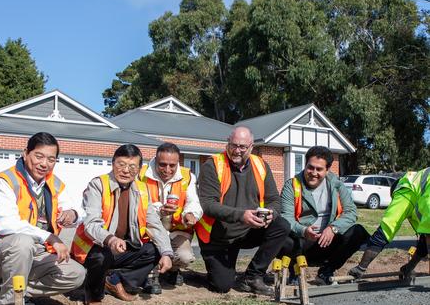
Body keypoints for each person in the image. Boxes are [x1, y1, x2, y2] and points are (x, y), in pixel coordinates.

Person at [0, 132, 86, 305]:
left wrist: (72, 214)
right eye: (39, 156)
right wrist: (50, 237)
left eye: (51, 159)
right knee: (22, 241)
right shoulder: (6, 182)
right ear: (25, 153)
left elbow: (77, 211)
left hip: (33, 254)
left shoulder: (54, 183)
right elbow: (4, 223)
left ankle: (15, 288)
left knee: (75, 274)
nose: (44, 164)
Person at [71, 144, 173, 305]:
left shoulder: (141, 189)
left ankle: (114, 279)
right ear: (113, 163)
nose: (126, 170)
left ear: (139, 169)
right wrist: (110, 239)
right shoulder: (98, 185)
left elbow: (154, 224)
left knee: (153, 250)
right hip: (94, 247)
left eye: (132, 166)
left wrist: (167, 253)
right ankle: (93, 294)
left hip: (122, 247)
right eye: (121, 164)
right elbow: (91, 223)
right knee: (101, 256)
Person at [195, 126, 288, 296]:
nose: (237, 151)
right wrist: (241, 215)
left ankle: (253, 276)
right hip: (218, 237)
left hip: (248, 231)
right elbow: (207, 204)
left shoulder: (261, 165)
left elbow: (274, 200)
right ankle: (206, 275)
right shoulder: (212, 165)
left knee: (281, 226)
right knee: (222, 286)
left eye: (242, 147)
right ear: (227, 144)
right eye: (233, 145)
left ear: (251, 147)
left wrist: (270, 214)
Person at [280, 146, 369, 284]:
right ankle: (294, 273)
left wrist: (333, 228)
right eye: (310, 167)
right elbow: (286, 217)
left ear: (327, 170)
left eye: (319, 169)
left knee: (358, 232)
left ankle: (326, 271)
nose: (313, 173)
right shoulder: (291, 186)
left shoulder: (337, 185)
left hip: (327, 241)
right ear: (305, 165)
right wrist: (303, 230)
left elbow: (351, 212)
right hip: (302, 243)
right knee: (283, 234)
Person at [139, 142, 202, 293]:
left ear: (178, 162)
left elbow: (193, 201)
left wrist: (190, 214)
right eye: (163, 165)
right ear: (155, 159)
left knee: (185, 256)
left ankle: (173, 270)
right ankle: (150, 275)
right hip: (149, 230)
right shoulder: (141, 174)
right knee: (151, 249)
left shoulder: (187, 176)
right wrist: (159, 210)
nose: (167, 170)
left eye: (172, 165)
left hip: (176, 230)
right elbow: (139, 206)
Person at [349, 168, 430, 280]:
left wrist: (361, 267)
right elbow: (424, 243)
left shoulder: (404, 191)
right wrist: (409, 267)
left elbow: (386, 230)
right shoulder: (421, 191)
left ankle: (361, 268)